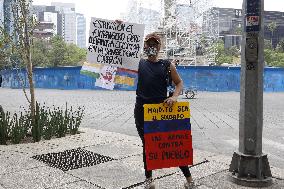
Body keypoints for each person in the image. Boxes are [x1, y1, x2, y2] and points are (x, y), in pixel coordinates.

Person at [134, 32, 194, 189]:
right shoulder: (138, 64)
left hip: (162, 112)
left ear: (160, 47)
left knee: (174, 145)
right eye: (148, 44)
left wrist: (174, 97)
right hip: (142, 111)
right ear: (144, 46)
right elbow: (119, 57)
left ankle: (189, 180)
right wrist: (118, 27)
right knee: (147, 145)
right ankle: (149, 180)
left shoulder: (167, 65)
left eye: (155, 44)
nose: (151, 47)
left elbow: (179, 83)